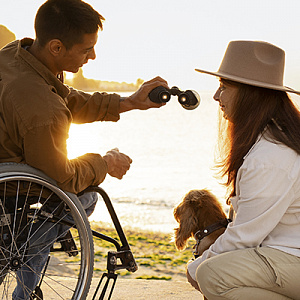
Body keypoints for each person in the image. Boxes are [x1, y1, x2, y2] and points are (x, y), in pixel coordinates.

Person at [0, 0, 168, 298]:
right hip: (9, 193)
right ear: (56, 47)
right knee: (87, 195)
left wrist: (129, 102)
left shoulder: (15, 55)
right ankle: (23, 278)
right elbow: (63, 177)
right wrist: (104, 163)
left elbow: (64, 100)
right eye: (85, 49)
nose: (92, 56)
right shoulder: (40, 106)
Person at [187, 40, 300, 299]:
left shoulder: (272, 154)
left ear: (250, 94)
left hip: (292, 258)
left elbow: (244, 236)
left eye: (223, 87)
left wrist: (195, 266)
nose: (216, 97)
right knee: (216, 270)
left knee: (211, 274)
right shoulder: (272, 139)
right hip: (284, 255)